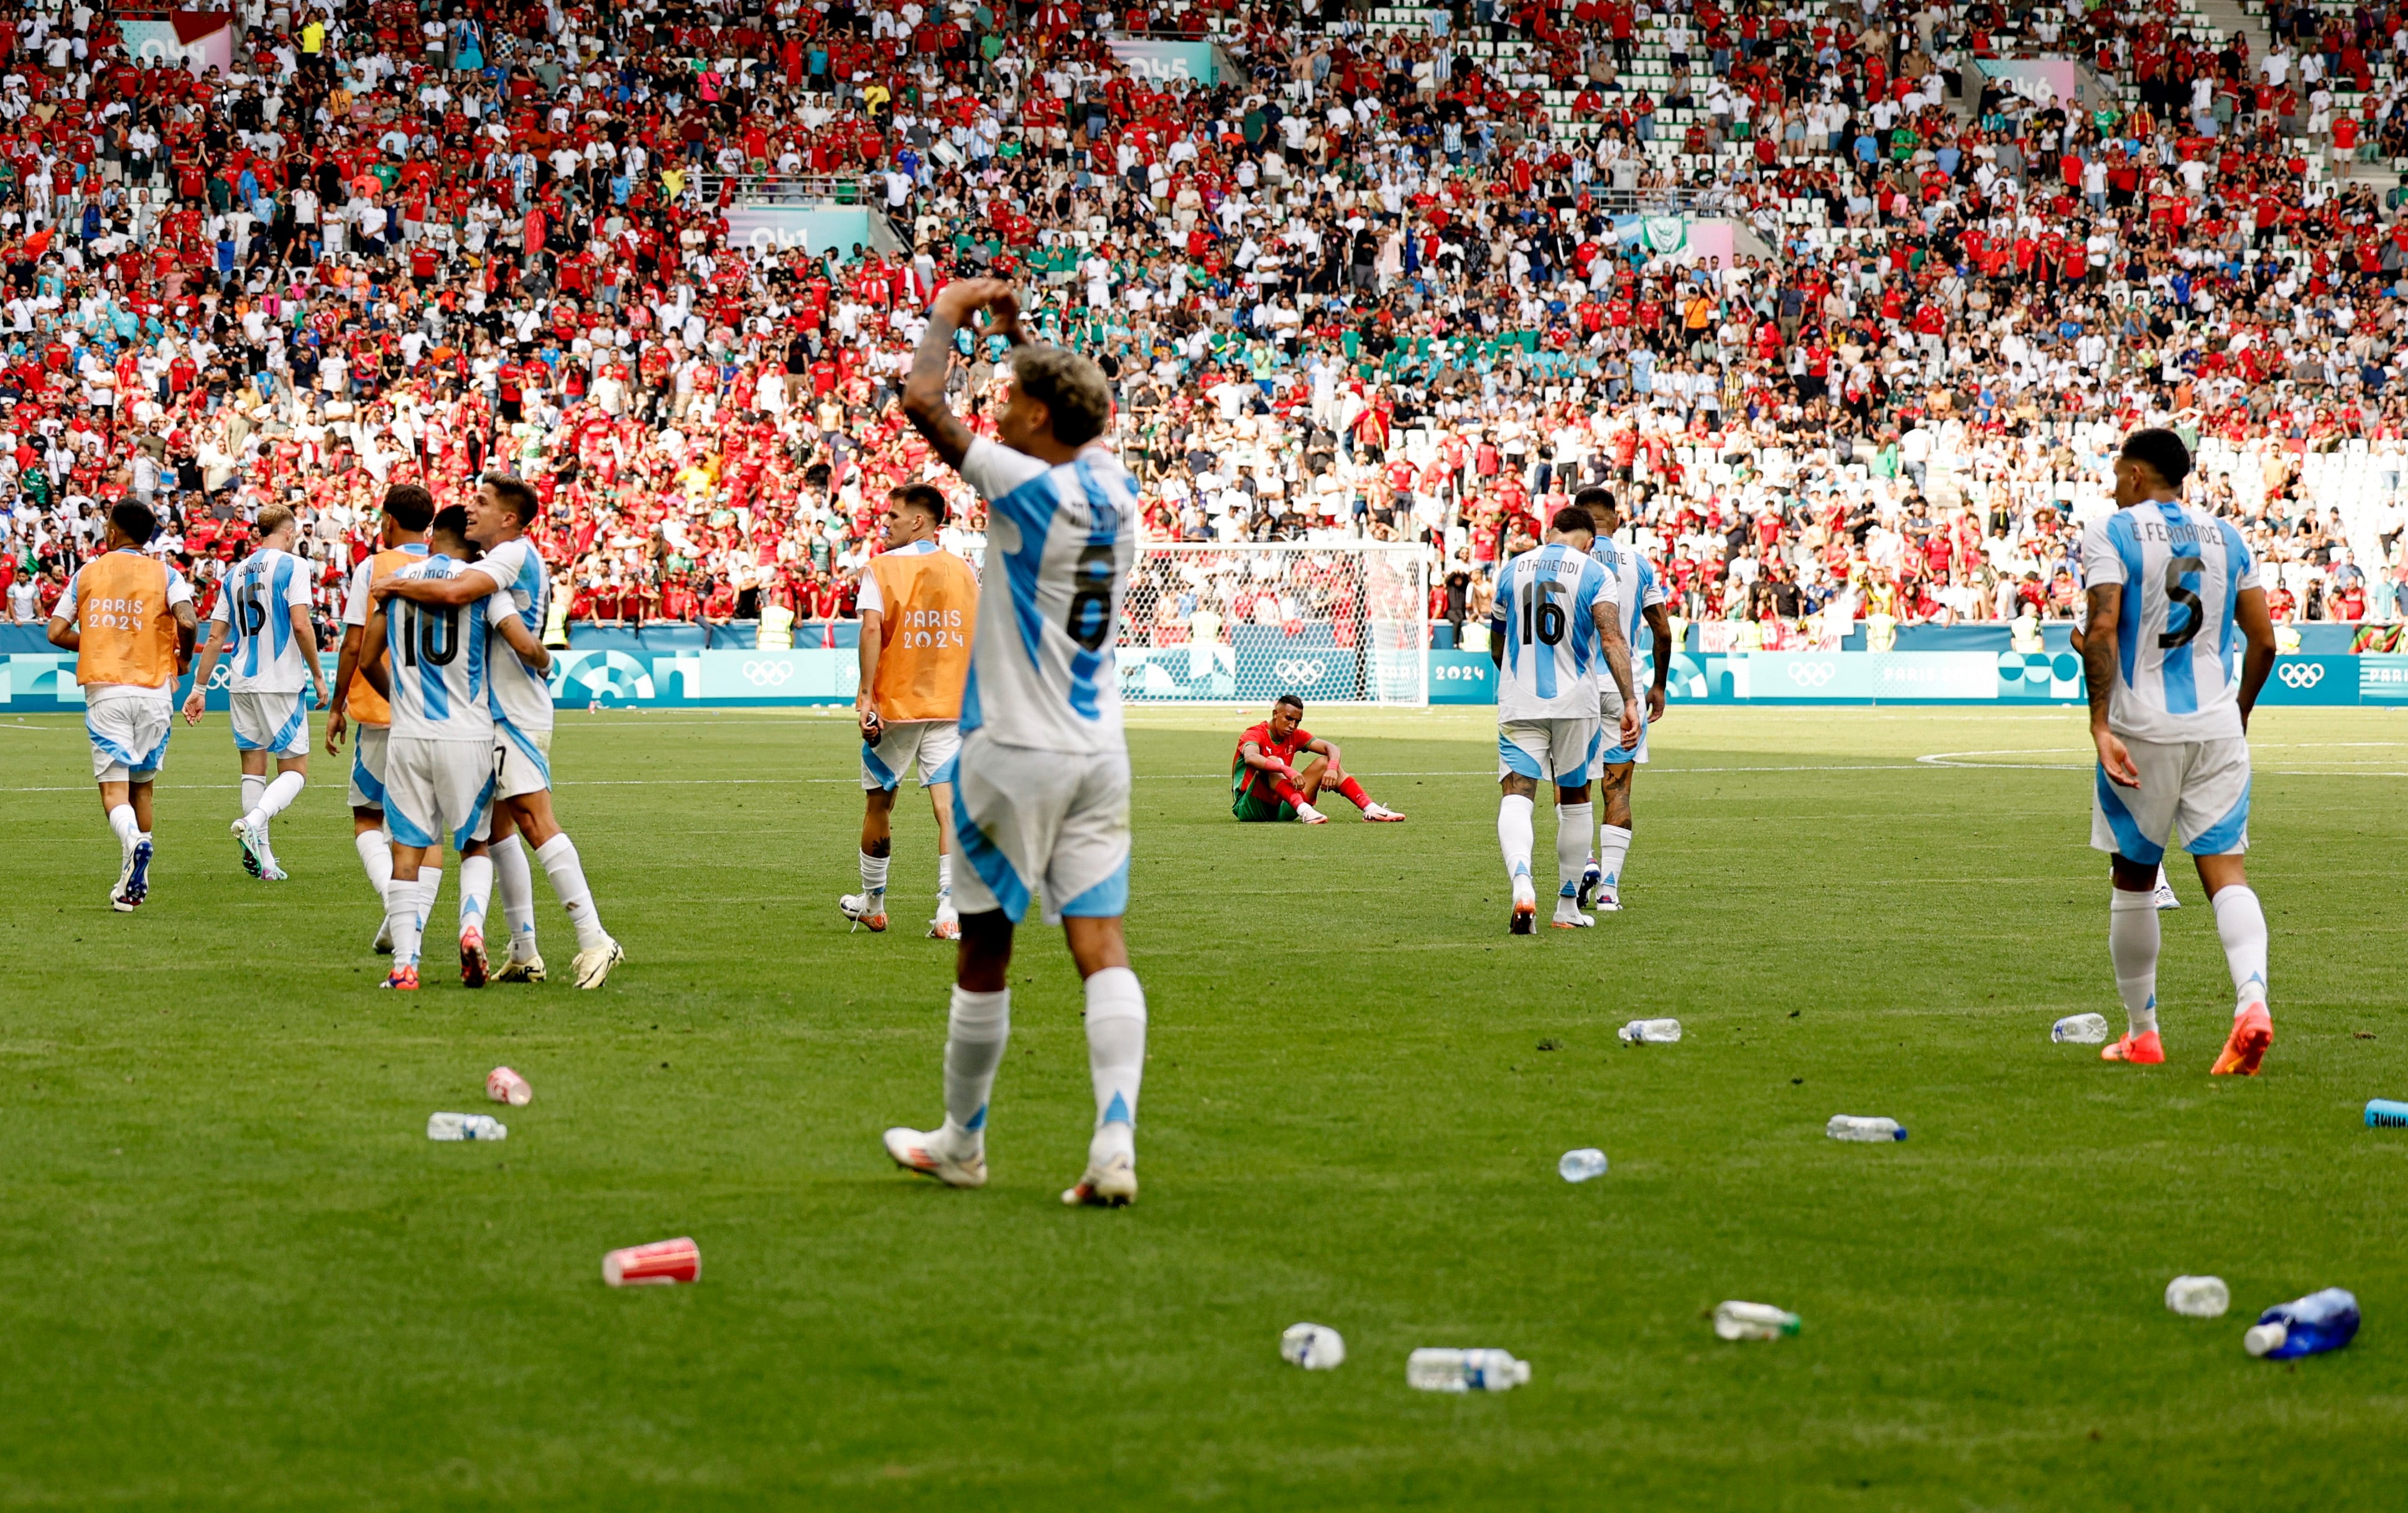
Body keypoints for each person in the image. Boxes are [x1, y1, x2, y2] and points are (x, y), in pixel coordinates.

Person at [879, 278, 1151, 1208]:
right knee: (1101, 946)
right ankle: (1115, 1142)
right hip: (1098, 752)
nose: (993, 413)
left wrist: (953, 309)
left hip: (1009, 752)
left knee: (985, 951)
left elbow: (920, 401)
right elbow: (1067, 406)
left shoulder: (1023, 485)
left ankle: (963, 1143)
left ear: (1038, 415)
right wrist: (1021, 337)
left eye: (1006, 402)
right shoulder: (1116, 485)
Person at [2080, 428, 2279, 1074]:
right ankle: (2251, 1003)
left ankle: (2141, 1032)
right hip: (2216, 724)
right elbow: (2264, 642)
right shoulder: (2227, 537)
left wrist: (2099, 724)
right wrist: (2238, 713)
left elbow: (2105, 626)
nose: (2112, 485)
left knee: (2134, 876)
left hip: (2143, 727)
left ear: (2137, 475)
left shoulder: (2110, 531)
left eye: (2116, 474)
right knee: (2226, 871)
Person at [375, 474, 622, 989]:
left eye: (482, 502)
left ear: (508, 518)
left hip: (515, 713)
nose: (471, 508)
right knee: (500, 832)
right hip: (491, 717)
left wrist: (396, 583)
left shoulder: (507, 558)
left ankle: (595, 938)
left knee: (535, 822)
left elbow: (463, 593)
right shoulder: (497, 561)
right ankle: (526, 949)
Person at [359, 506, 551, 991]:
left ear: (431, 536)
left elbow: (366, 659)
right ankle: (471, 929)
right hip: (467, 732)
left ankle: (405, 966)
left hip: (408, 734)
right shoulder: (482, 584)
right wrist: (544, 662)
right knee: (474, 844)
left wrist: (400, 703)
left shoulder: (398, 580)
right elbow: (523, 644)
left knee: (407, 850)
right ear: (468, 542)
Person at [1489, 503, 1639, 933]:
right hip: (1577, 702)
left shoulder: (1511, 570)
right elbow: (1612, 639)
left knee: (1517, 793)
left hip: (1520, 699)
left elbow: (1497, 645)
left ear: (1550, 531)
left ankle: (1522, 883)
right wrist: (1629, 700)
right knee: (1575, 799)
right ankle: (1567, 906)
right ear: (1590, 542)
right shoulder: (1596, 573)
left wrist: (1513, 681)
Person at [841, 481, 978, 938]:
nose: (886, 524)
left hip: (897, 707)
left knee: (879, 803)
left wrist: (866, 697)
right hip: (951, 705)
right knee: (951, 809)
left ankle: (874, 904)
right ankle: (950, 912)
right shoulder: (964, 571)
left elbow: (871, 631)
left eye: (893, 517)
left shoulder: (880, 569)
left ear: (919, 520)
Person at [47, 499, 198, 910]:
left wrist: (100, 639)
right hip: (155, 692)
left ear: (112, 533)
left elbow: (55, 631)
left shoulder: (87, 573)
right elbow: (188, 620)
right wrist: (182, 658)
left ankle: (132, 843)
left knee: (114, 791)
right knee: (143, 788)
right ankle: (133, 885)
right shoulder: (167, 573)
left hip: (108, 690)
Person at [180, 504, 333, 881]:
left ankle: (265, 862)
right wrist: (317, 674)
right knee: (295, 771)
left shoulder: (234, 574)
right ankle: (254, 819)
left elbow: (215, 635)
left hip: (241, 681)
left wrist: (199, 688)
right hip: (280, 680)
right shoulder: (294, 565)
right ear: (289, 531)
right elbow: (300, 624)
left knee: (253, 769)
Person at [328, 483, 433, 953]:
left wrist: (335, 706)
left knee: (367, 817)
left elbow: (354, 644)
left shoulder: (373, 567)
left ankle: (398, 910)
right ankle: (411, 918)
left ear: (388, 519)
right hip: (438, 714)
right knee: (426, 826)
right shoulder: (451, 568)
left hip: (381, 710)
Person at [1575, 488, 1671, 912]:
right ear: (1616, 518)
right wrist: (1659, 686)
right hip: (1622, 686)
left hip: (1574, 686)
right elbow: (1662, 630)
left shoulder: (1569, 563)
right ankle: (1610, 889)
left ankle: (1585, 862)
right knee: (1619, 789)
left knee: (1572, 786)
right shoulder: (1639, 563)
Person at [1229, 693, 1405, 823]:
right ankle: (1306, 811)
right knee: (1274, 763)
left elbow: (1332, 748)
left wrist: (1331, 768)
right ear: (1276, 714)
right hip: (1250, 807)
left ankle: (1371, 808)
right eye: (1288, 719)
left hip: (1282, 806)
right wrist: (1285, 769)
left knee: (1325, 762)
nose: (1292, 726)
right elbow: (1251, 757)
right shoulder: (1254, 733)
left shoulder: (1295, 735)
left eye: (1297, 722)